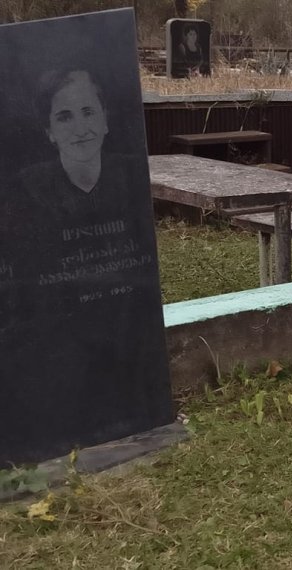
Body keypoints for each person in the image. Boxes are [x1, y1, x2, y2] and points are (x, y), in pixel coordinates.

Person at [4, 68, 171, 461]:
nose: (80, 127)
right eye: (64, 116)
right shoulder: (25, 192)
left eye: (88, 111)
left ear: (106, 119)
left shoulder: (130, 175)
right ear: (48, 130)